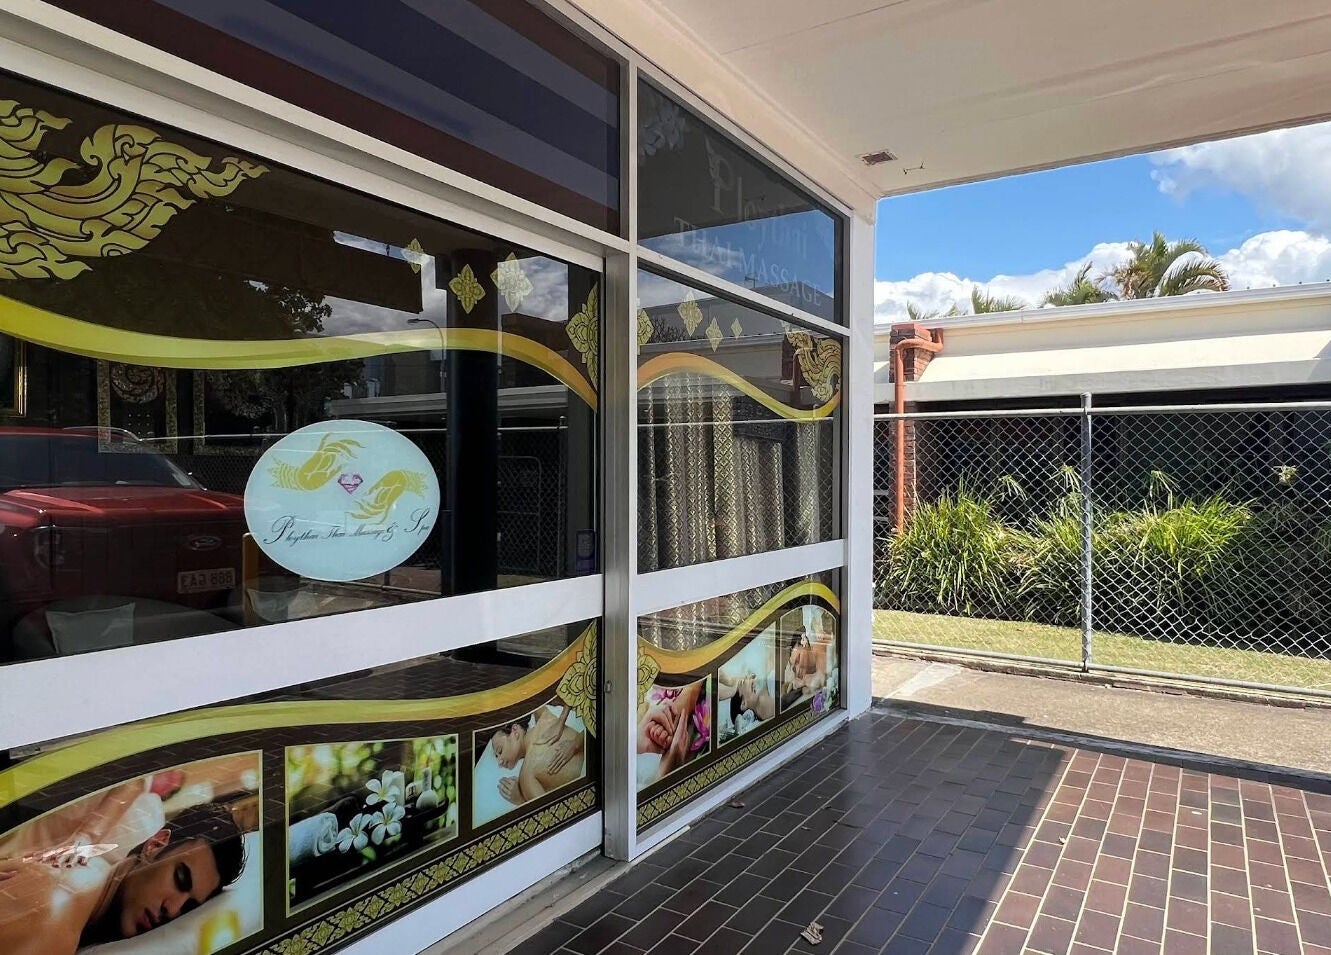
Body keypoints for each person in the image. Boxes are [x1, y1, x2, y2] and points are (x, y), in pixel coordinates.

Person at [0, 793, 245, 955]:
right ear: (155, 845)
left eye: (189, 906)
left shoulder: (87, 887)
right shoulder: (56, 914)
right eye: (180, 879)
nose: (172, 909)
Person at [494, 705, 585, 807]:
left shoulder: (527, 777)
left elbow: (548, 816)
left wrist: (520, 801)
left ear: (515, 730)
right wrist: (576, 742)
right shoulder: (545, 717)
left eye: (500, 750)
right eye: (496, 756)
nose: (499, 762)